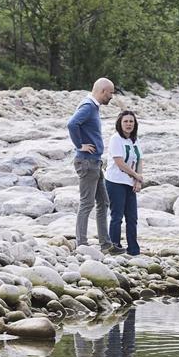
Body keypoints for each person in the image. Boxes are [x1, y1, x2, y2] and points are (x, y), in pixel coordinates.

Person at [67, 77, 115, 252]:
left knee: (103, 202)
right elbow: (72, 124)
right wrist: (80, 145)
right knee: (86, 203)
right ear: (102, 91)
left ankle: (106, 244)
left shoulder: (92, 106)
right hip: (87, 162)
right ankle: (81, 244)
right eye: (111, 93)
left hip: (95, 162)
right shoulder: (88, 106)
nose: (112, 96)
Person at [106, 110, 143, 255]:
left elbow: (139, 159)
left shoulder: (135, 140)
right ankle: (114, 247)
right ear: (120, 124)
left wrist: (137, 180)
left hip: (130, 182)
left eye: (131, 121)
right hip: (115, 181)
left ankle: (133, 249)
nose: (128, 124)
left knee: (132, 217)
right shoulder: (116, 139)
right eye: (125, 121)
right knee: (117, 217)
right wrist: (136, 176)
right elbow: (119, 162)